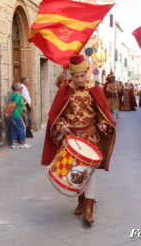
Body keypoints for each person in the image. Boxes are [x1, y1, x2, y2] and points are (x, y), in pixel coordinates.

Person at [41, 55, 116, 225]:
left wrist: (103, 124)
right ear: (72, 76)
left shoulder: (95, 89)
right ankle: (81, 201)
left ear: (87, 73)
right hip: (71, 137)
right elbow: (56, 114)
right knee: (76, 170)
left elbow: (102, 113)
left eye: (82, 75)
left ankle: (89, 206)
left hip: (90, 135)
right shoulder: (65, 90)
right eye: (76, 76)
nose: (80, 79)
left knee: (88, 171)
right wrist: (61, 125)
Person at [10, 82, 31, 149]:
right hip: (17, 114)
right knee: (22, 127)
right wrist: (11, 112)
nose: (22, 89)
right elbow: (14, 105)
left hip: (14, 114)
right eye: (21, 88)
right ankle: (23, 142)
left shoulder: (13, 94)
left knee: (14, 128)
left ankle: (14, 142)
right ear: (20, 88)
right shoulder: (18, 95)